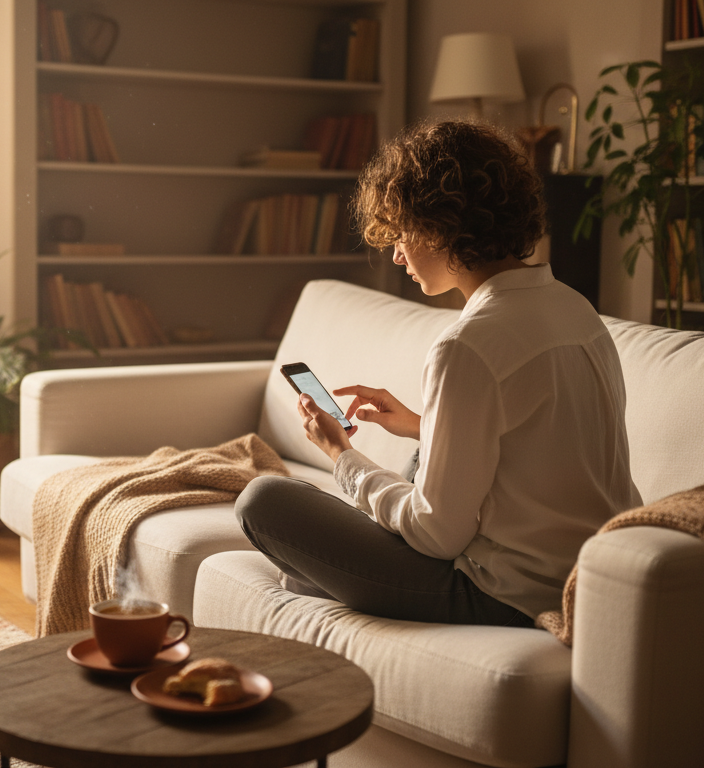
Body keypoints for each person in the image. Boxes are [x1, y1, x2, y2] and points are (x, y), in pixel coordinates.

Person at [235, 121, 643, 628]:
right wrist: (420, 423)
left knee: (263, 500)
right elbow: (536, 448)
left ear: (443, 224)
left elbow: (436, 535)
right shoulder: (575, 310)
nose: (396, 252)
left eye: (402, 231)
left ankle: (320, 578)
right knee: (417, 455)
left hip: (501, 592)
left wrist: (341, 454)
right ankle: (322, 578)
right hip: (588, 572)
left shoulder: (466, 345)